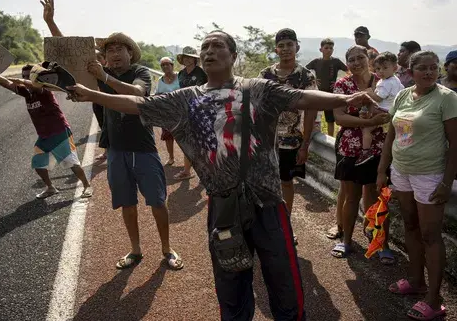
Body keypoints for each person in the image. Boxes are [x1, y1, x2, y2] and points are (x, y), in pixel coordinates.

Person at [66, 30, 376, 321]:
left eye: (218, 46)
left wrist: (344, 99)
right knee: (231, 282)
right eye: (205, 47)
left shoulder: (257, 89)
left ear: (233, 56)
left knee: (284, 280)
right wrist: (93, 94)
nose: (209, 51)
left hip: (267, 201)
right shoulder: (185, 98)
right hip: (223, 205)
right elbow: (140, 104)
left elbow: (302, 97)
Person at [41, 0, 183, 270]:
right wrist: (51, 23)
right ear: (104, 57)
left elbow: (138, 95)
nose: (115, 54)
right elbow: (71, 55)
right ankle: (135, 250)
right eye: (110, 50)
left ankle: (167, 248)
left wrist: (104, 77)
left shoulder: (140, 73)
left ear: (131, 53)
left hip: (144, 149)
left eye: (120, 49)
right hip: (116, 150)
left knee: (157, 201)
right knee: (127, 204)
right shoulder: (98, 72)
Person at [377, 51, 457, 320]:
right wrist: (382, 170)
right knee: (410, 226)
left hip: (430, 175)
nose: (429, 72)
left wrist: (446, 182)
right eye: (422, 68)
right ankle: (415, 281)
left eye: (433, 68)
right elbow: (391, 134)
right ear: (410, 71)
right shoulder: (403, 95)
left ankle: (434, 301)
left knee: (430, 235)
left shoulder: (447, 98)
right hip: (401, 172)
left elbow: (456, 145)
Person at [330, 45, 395, 265]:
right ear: (346, 63)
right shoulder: (342, 84)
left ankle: (381, 243)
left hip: (379, 147)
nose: (356, 62)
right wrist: (369, 122)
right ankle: (347, 240)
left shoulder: (383, 79)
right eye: (351, 59)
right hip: (350, 147)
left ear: (369, 58)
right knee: (351, 197)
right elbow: (339, 118)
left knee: (377, 197)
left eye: (360, 58)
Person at [0, 65, 92, 199]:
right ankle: (50, 188)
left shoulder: (44, 90)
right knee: (38, 164)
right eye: (24, 76)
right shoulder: (26, 92)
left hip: (59, 133)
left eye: (29, 76)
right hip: (44, 136)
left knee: (72, 163)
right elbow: (7, 84)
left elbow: (35, 85)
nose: (25, 78)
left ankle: (86, 186)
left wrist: (20, 80)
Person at [259, 28, 318, 245]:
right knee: (265, 183)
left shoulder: (305, 76)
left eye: (289, 45)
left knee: (286, 183)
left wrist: (305, 143)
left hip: (292, 139)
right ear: (276, 49)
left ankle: (285, 226)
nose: (285, 49)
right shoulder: (265, 75)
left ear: (297, 47)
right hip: (266, 140)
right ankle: (267, 226)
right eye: (281, 45)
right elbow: (257, 105)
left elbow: (312, 108)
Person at [356, 52, 404, 166]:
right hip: (391, 111)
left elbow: (378, 98)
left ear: (395, 68)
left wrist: (369, 92)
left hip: (382, 110)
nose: (380, 71)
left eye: (385, 68)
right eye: (378, 68)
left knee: (367, 129)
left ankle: (366, 151)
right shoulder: (396, 80)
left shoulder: (386, 83)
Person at [173, 46, 208, 180]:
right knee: (187, 140)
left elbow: (205, 91)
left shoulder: (201, 73)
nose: (187, 60)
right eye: (185, 57)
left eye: (189, 57)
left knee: (202, 141)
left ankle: (206, 171)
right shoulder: (181, 74)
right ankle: (187, 171)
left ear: (194, 59)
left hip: (199, 110)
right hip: (184, 110)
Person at [306, 38, 348, 137]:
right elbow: (305, 70)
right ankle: (313, 136)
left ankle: (330, 139)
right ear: (321, 49)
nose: (329, 50)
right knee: (315, 117)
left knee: (330, 119)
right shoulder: (316, 62)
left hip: (331, 94)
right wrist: (313, 80)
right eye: (326, 48)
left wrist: (339, 82)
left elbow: (349, 71)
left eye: (331, 48)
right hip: (318, 94)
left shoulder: (336, 61)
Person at [155, 56, 180, 165]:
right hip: (166, 112)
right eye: (163, 65)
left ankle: (188, 158)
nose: (165, 66)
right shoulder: (160, 80)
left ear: (172, 66)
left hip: (180, 111)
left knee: (183, 135)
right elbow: (157, 94)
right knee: (168, 136)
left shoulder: (180, 76)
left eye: (167, 64)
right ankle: (171, 157)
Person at [94, 49, 109, 161]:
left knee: (110, 126)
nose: (97, 61)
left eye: (99, 58)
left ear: (104, 60)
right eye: (95, 58)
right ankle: (107, 152)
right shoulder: (90, 72)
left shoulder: (109, 72)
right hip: (97, 102)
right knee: (103, 126)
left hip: (108, 102)